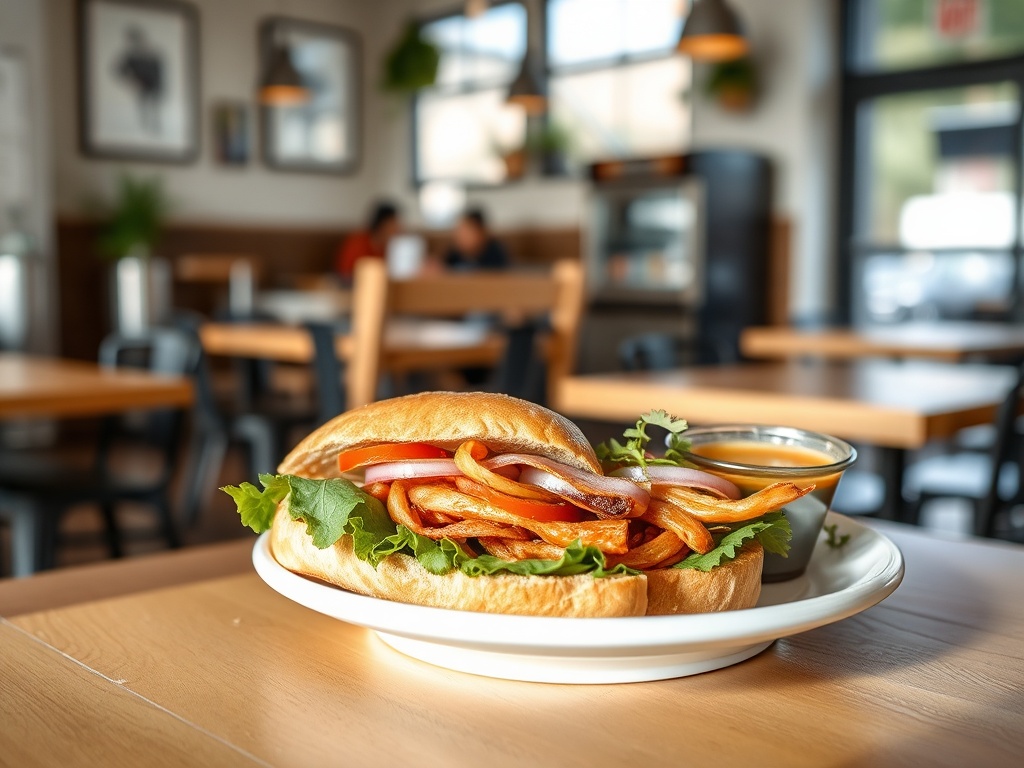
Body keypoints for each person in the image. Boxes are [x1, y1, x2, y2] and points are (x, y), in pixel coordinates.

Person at [335, 202, 401, 280]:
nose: (398, 228)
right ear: (382, 225)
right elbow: (345, 273)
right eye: (393, 224)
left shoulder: (389, 248)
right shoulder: (358, 243)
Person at [444, 208, 510, 271]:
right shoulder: (454, 253)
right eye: (459, 231)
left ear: (481, 233)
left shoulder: (495, 253)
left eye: (467, 232)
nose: (460, 237)